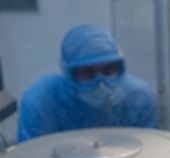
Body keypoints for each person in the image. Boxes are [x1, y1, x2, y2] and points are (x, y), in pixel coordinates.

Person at [17, 24, 157, 142]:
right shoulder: (41, 101)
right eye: (87, 73)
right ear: (68, 74)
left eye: (109, 70)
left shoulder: (140, 97)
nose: (101, 85)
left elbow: (148, 153)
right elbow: (30, 157)